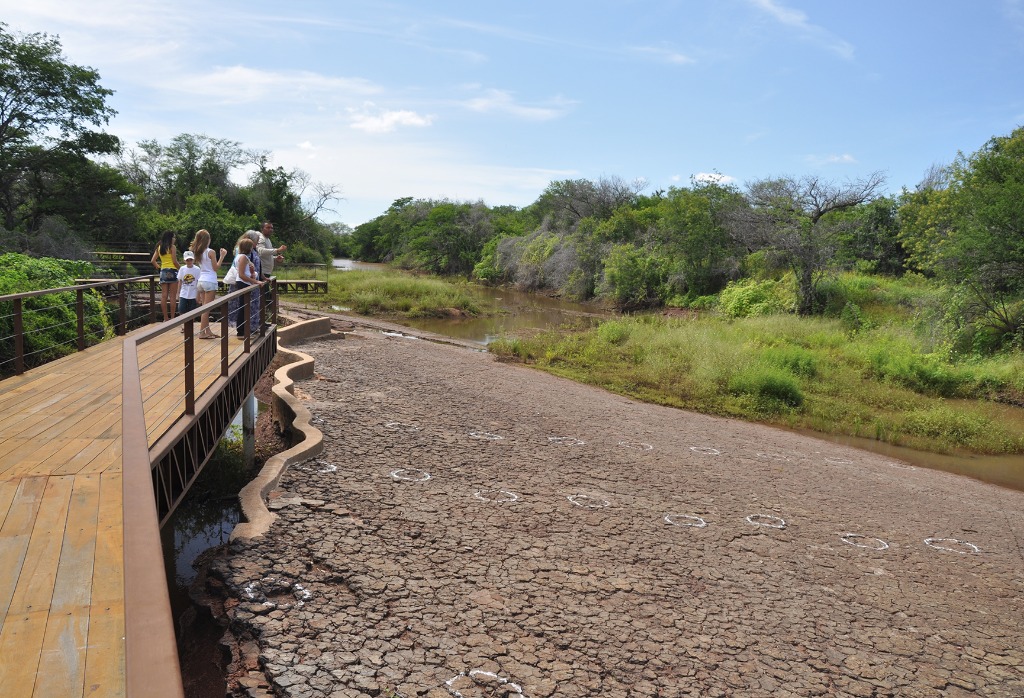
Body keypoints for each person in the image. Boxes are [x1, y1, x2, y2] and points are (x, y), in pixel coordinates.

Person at [189, 229, 228, 339]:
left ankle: (208, 330)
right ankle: (202, 332)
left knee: (204, 308)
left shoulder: (198, 251)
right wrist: (222, 256)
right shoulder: (211, 252)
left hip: (201, 281)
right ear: (207, 239)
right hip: (210, 281)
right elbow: (215, 268)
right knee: (207, 309)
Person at [232, 237, 265, 338]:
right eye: (251, 246)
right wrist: (256, 281)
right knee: (243, 308)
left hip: (245, 282)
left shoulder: (243, 257)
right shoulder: (242, 257)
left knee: (245, 307)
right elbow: (241, 275)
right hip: (243, 283)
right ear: (248, 247)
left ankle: (244, 330)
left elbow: (245, 273)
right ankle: (241, 332)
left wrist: (252, 273)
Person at [150, 230, 179, 321]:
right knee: (173, 296)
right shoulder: (172, 247)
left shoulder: (159, 247)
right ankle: (173, 318)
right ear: (170, 238)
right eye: (173, 237)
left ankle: (165, 318)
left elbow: (153, 261)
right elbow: (174, 261)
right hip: (172, 271)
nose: (174, 239)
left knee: (164, 296)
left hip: (163, 271)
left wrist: (159, 268)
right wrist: (181, 268)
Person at [176, 251, 199, 317]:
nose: (189, 262)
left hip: (193, 293)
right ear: (184, 260)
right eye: (187, 260)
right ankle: (184, 324)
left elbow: (198, 282)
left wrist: (198, 295)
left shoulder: (197, 269)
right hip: (184, 293)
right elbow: (180, 281)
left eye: (191, 260)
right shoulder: (182, 269)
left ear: (193, 260)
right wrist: (178, 293)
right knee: (181, 309)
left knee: (192, 311)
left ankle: (191, 325)